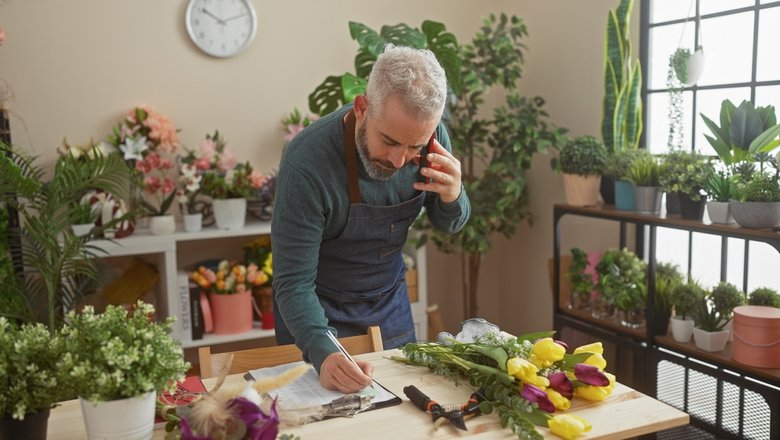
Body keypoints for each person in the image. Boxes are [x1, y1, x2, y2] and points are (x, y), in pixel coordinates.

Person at [271, 44, 471, 393]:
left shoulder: (431, 139)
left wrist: (455, 196)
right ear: (362, 108)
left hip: (389, 305)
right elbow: (292, 283)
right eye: (389, 141)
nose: (398, 160)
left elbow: (449, 223)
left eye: (414, 148)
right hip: (315, 313)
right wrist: (323, 349)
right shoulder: (308, 163)